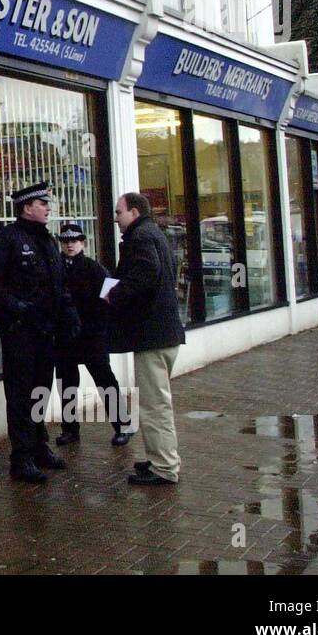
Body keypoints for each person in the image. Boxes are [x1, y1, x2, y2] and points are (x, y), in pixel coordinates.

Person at [0, 181, 80, 483]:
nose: (48, 208)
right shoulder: (6, 239)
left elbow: (58, 284)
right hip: (20, 332)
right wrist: (18, 309)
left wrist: (69, 313)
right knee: (21, 395)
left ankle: (39, 447)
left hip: (46, 332)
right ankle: (21, 457)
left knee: (41, 391)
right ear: (27, 208)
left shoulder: (48, 242)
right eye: (42, 204)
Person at [105, 192, 187, 485]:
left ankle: (164, 467)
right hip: (163, 334)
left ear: (135, 212)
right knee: (156, 402)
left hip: (153, 337)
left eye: (119, 212)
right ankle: (159, 459)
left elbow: (145, 275)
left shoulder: (140, 238)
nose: (115, 218)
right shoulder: (153, 234)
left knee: (154, 405)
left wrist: (113, 294)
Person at [54, 223, 131, 447]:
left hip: (91, 336)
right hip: (65, 337)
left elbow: (112, 298)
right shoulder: (57, 268)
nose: (70, 245)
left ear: (83, 243)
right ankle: (69, 430)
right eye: (66, 241)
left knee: (105, 381)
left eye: (75, 240)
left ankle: (123, 426)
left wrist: (100, 327)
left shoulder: (94, 268)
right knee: (66, 384)